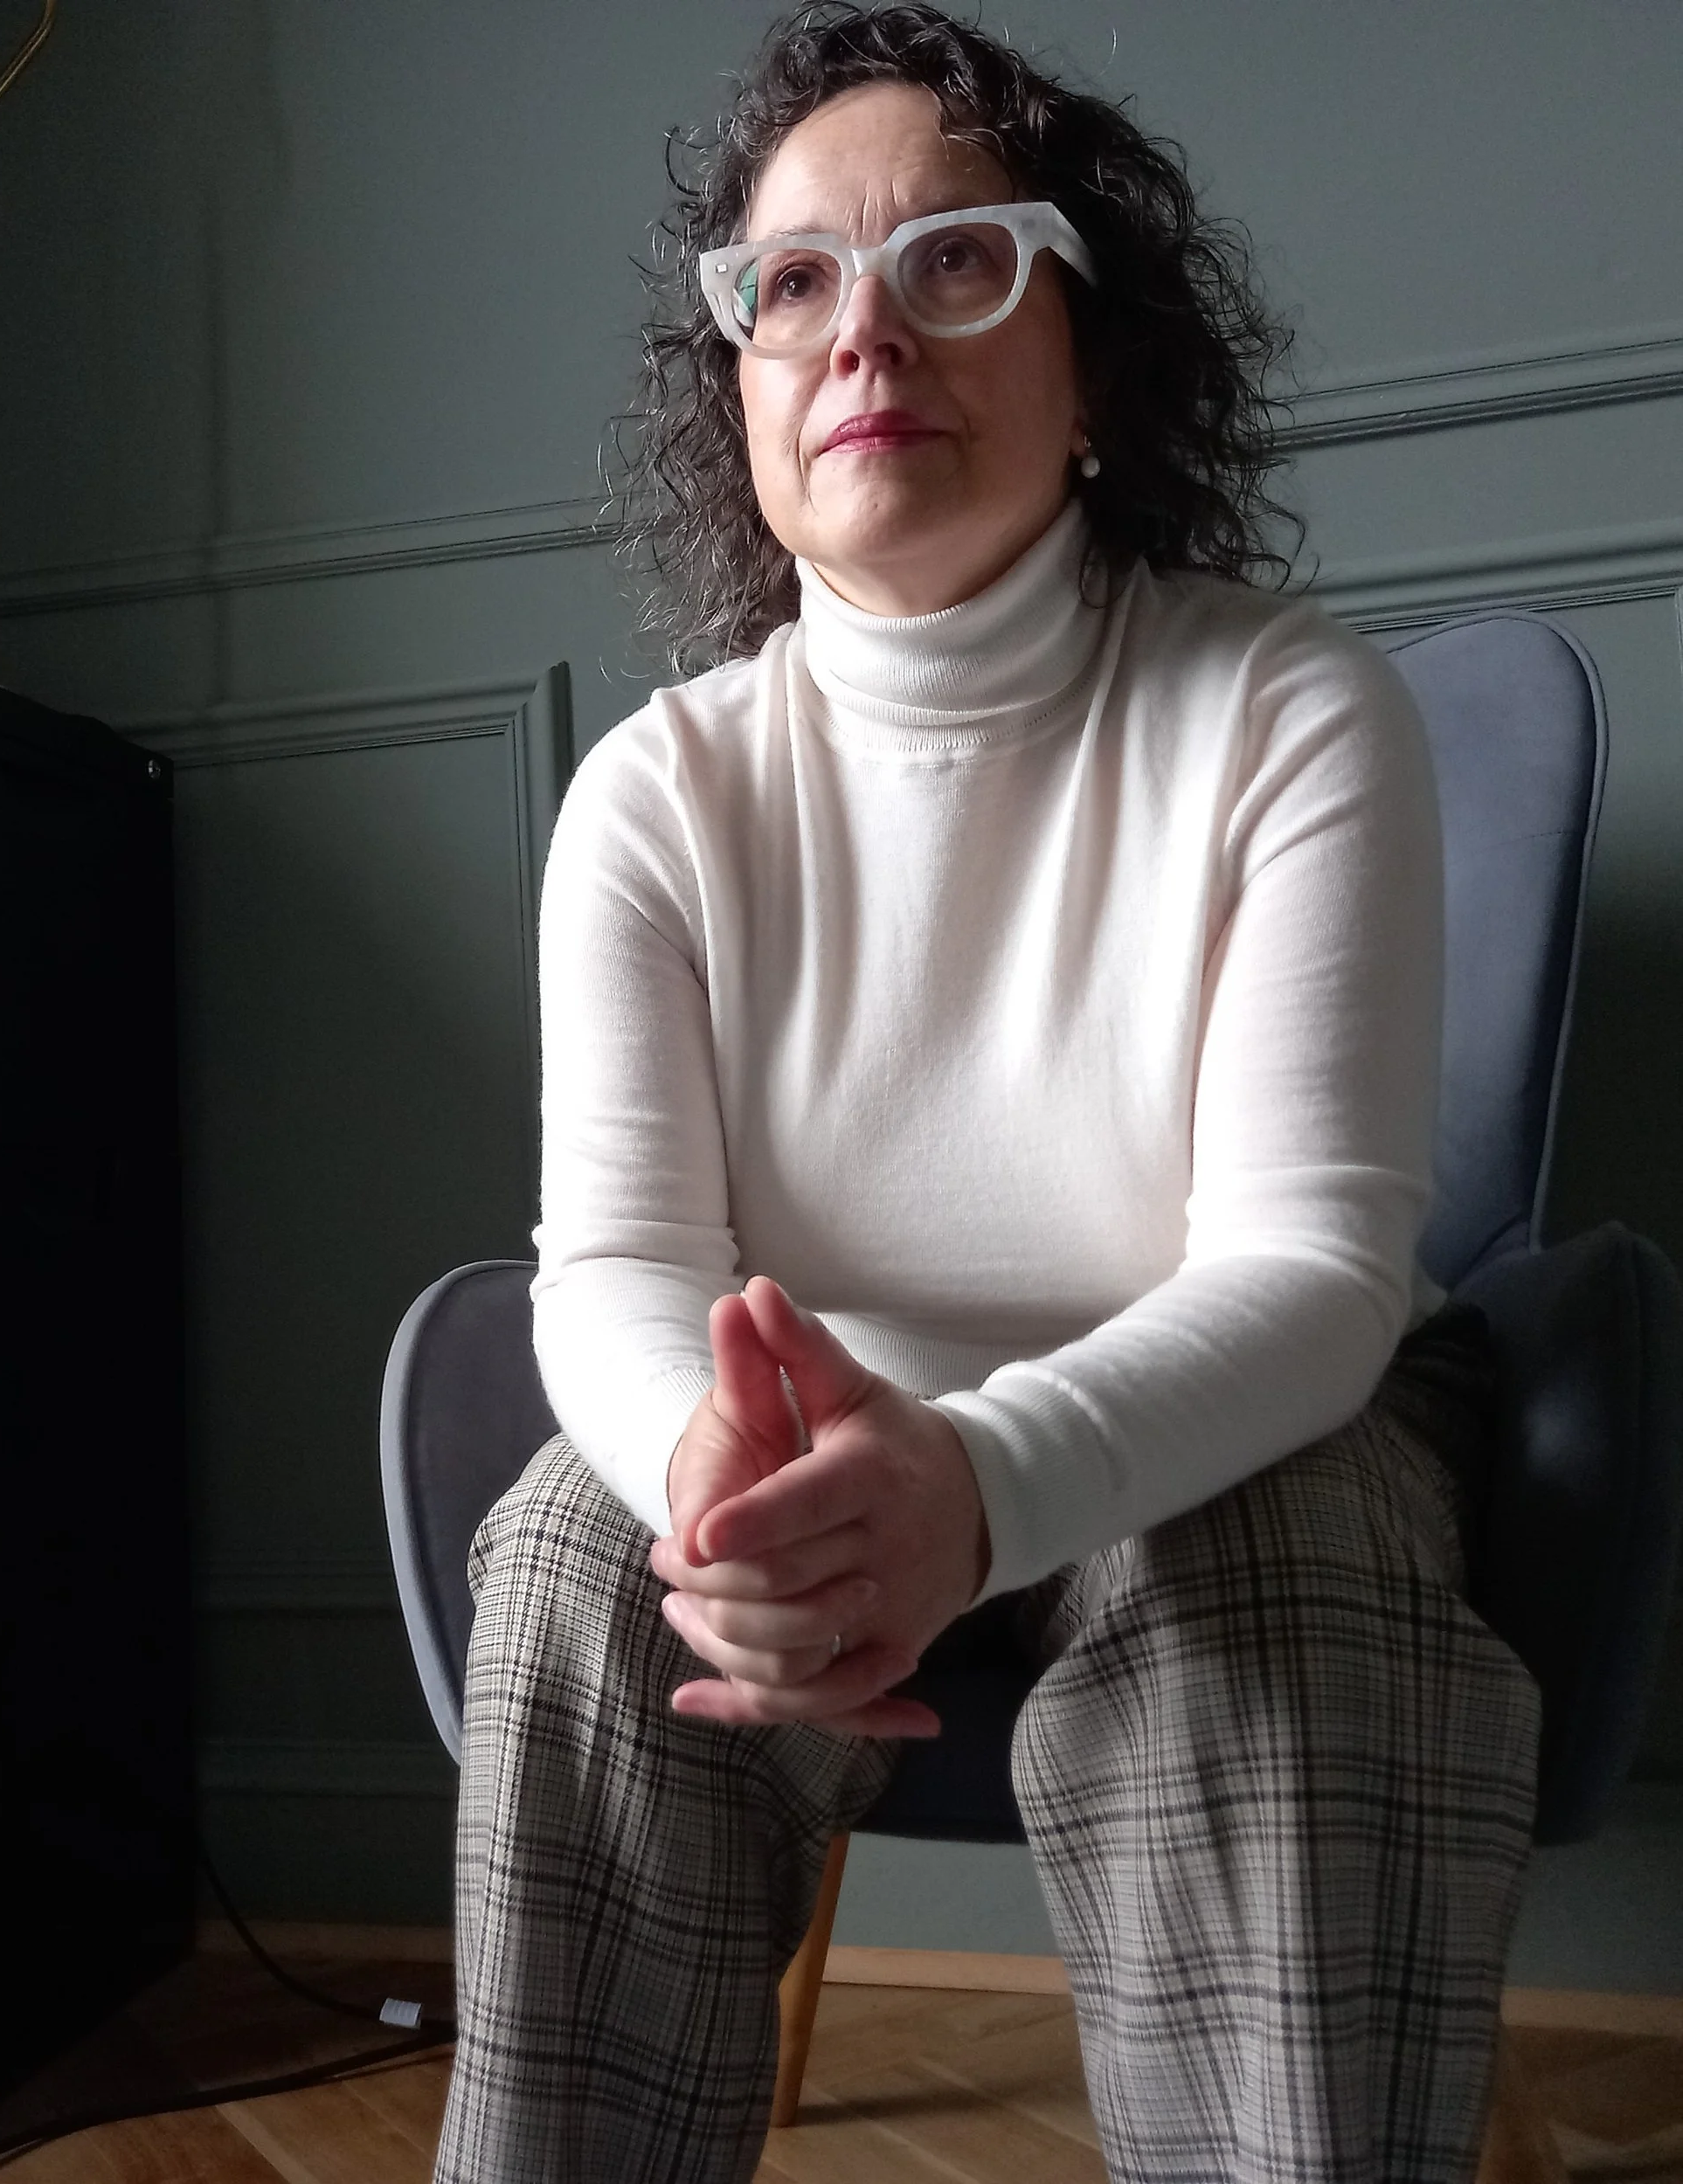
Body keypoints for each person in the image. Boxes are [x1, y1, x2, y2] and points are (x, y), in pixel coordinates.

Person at [434, 8, 1541, 2180]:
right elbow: (624, 1266)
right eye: (793, 285)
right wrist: (713, 1487)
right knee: (578, 1548)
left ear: (1093, 359)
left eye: (956, 262)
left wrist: (972, 1475)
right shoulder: (652, 793)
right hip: (818, 1465)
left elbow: (1317, 1268)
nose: (863, 335)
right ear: (737, 385)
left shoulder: (1285, 711)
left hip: (1218, 1439)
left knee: (1275, 1538)